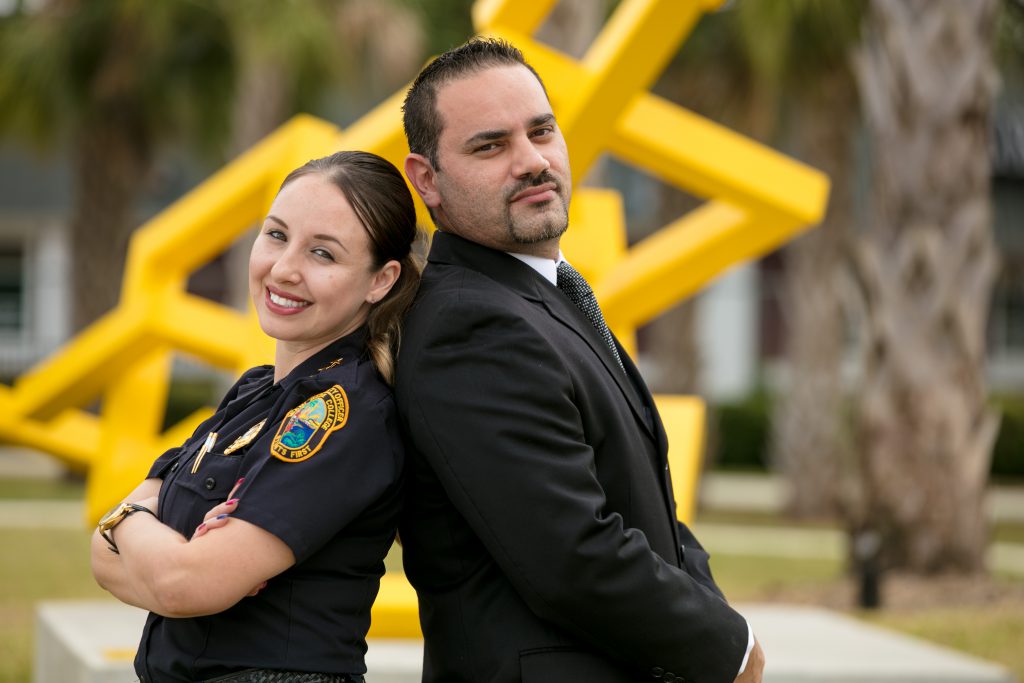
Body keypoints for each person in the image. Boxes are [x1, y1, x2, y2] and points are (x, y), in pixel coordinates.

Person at [396, 38, 765, 683]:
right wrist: (729, 651)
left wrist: (714, 614)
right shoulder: (469, 324)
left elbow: (643, 501)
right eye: (491, 146)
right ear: (426, 179)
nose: (532, 162)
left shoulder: (545, 295)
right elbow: (572, 555)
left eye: (542, 131)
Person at [90, 151, 421, 683]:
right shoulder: (253, 393)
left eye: (322, 253)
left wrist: (127, 524)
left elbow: (183, 585)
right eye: (275, 235)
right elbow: (105, 563)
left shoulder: (346, 412)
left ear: (380, 280)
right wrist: (147, 536)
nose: (284, 268)